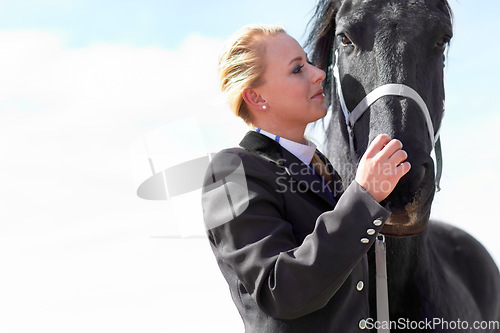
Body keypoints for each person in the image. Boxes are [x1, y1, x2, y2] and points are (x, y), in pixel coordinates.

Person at [201, 24, 411, 332]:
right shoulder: (231, 171)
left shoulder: (322, 168)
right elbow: (281, 291)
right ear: (257, 97)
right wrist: (363, 196)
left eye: (309, 62)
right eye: (297, 69)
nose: (318, 73)